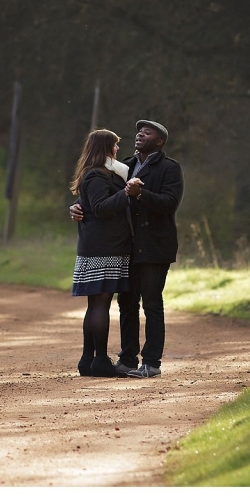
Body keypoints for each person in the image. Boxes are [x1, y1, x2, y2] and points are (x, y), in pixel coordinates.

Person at [70, 119, 184, 378]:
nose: (140, 133)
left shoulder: (169, 168)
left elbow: (169, 203)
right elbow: (95, 190)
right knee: (127, 304)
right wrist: (77, 207)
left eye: (148, 131)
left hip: (155, 247)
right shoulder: (125, 166)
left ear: (159, 141)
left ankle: (151, 363)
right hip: (127, 248)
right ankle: (128, 359)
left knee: (152, 304)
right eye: (139, 130)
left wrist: (139, 194)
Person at [69, 129, 134, 378]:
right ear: (105, 147)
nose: (118, 149)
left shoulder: (100, 172)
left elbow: (87, 206)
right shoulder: (97, 175)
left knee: (95, 304)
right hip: (104, 248)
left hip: (97, 246)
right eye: (115, 145)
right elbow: (100, 208)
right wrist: (126, 193)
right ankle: (100, 361)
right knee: (100, 305)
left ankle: (88, 360)